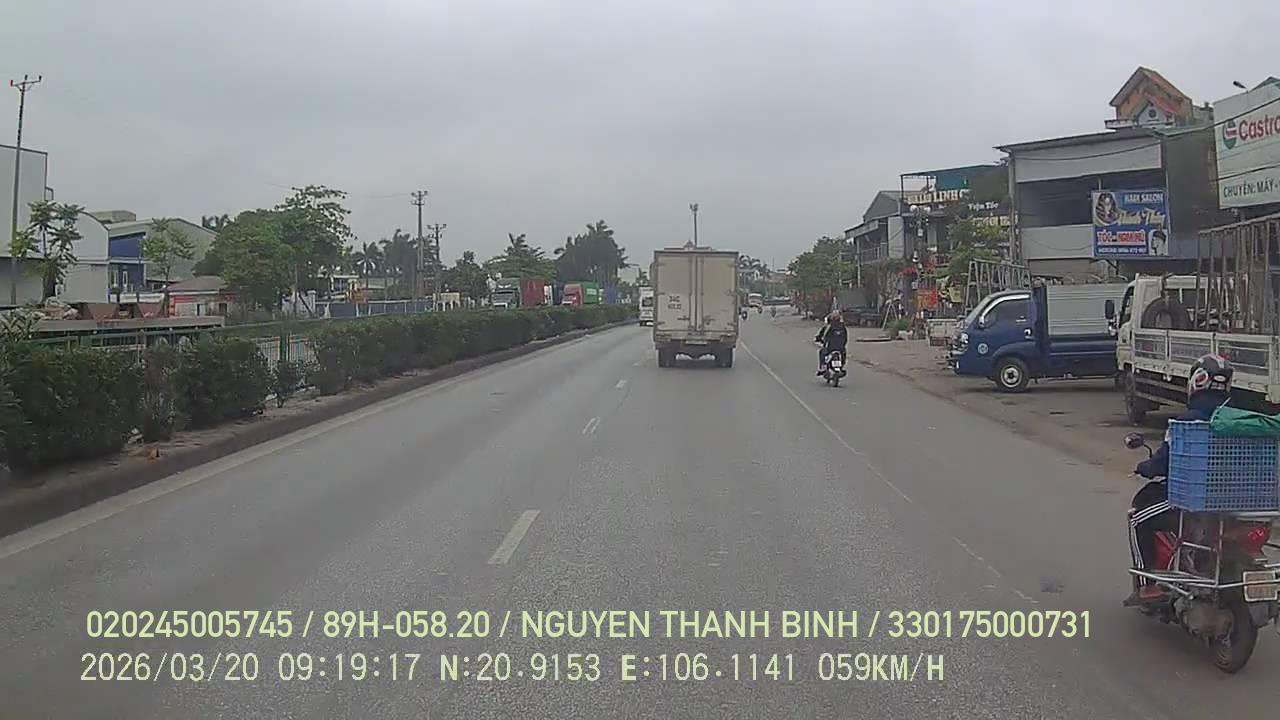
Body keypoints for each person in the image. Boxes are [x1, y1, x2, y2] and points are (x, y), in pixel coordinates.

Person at [1125, 353, 1233, 606]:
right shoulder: (1239, 421)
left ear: (1197, 381)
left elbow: (1162, 463)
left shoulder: (1185, 423)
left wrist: (1144, 467)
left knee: (1137, 520)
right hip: (1237, 502)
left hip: (1194, 501)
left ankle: (1147, 586)